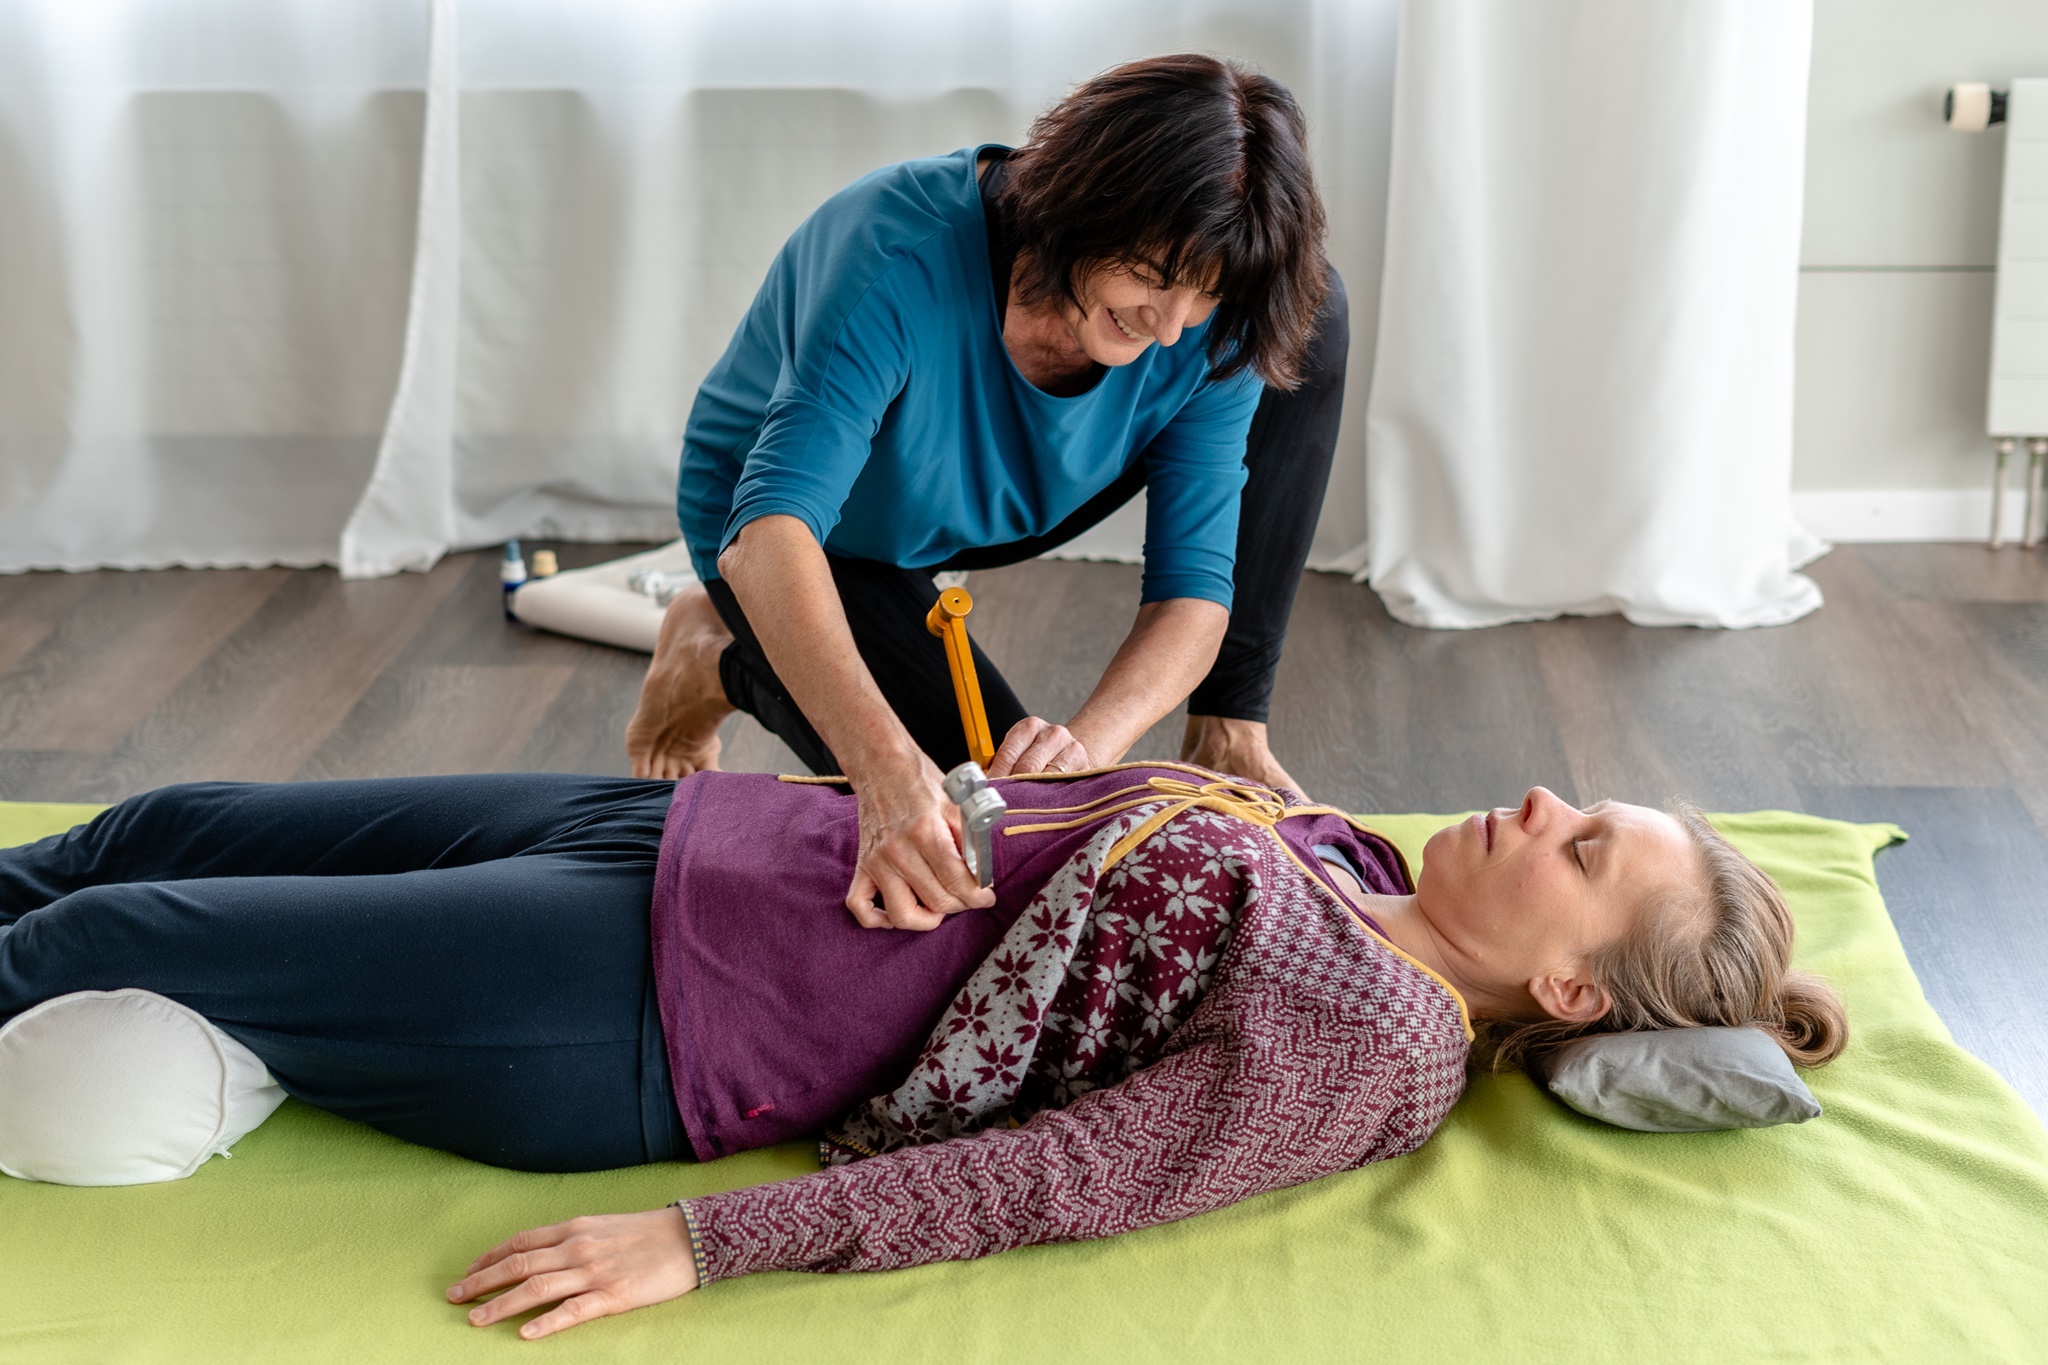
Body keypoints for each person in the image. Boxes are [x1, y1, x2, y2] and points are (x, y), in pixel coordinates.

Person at [0, 767, 1846, 1340]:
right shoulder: (1357, 862)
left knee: (109, 935)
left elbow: (1066, 1176)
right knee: (159, 825)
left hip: (656, 1008)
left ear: (1572, 995)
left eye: (1581, 853)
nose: (1541, 809)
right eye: (1582, 807)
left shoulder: (1370, 1050)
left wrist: (699, 1243)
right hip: (710, 835)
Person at [627, 54, 1345, 935]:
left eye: (1202, 294)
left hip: (985, 491)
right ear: (1093, 200)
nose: (1169, 328)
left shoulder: (1203, 323)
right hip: (787, 530)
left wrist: (1083, 753)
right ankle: (716, 646)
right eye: (1156, 275)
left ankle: (1230, 727)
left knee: (1314, 318)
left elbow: (1193, 595)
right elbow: (770, 530)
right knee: (981, 851)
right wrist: (887, 771)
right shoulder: (894, 250)